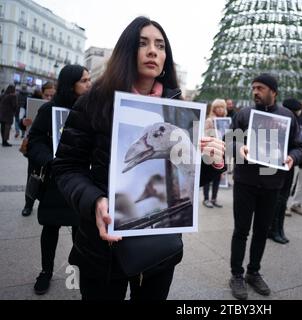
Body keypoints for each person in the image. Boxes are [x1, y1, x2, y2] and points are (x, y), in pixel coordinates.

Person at [52, 17, 225, 301]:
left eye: (160, 45)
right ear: (127, 51)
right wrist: (95, 200)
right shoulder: (94, 101)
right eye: (143, 43)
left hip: (159, 250)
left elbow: (189, 179)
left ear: (166, 57)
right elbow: (67, 166)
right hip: (102, 248)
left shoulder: (181, 110)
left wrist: (212, 160)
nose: (153, 51)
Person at [228, 74, 302, 300]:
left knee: (262, 230)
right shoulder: (244, 113)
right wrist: (238, 146)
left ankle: (253, 272)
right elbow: (230, 139)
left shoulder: (288, 116)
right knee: (241, 230)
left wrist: (293, 157)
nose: (255, 92)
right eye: (253, 88)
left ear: (274, 91)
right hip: (245, 182)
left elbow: (299, 147)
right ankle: (236, 275)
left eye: (260, 88)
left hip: (272, 184)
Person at [27, 65, 92, 295]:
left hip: (80, 182)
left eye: (89, 79)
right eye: (84, 80)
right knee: (50, 228)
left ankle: (78, 273)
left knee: (80, 232)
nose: (89, 84)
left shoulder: (90, 110)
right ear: (70, 84)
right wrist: (50, 160)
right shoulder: (49, 110)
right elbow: (34, 141)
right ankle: (46, 272)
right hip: (54, 183)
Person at [268, 98, 302, 244]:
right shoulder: (285, 120)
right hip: (279, 163)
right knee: (279, 199)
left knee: (282, 199)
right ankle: (274, 229)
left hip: (287, 163)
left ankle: (278, 228)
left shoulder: (291, 120)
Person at [20, 82, 56, 217]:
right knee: (32, 176)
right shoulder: (32, 102)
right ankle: (28, 204)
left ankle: (44, 202)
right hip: (35, 146)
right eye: (46, 95)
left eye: (52, 95)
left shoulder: (56, 106)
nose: (48, 98)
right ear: (41, 93)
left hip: (50, 148)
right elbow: (22, 119)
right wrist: (23, 123)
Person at [203, 98, 227, 208]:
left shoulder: (226, 121)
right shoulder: (209, 120)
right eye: (218, 107)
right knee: (208, 176)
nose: (220, 109)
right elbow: (205, 135)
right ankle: (206, 199)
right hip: (210, 152)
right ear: (214, 108)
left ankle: (214, 198)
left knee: (218, 175)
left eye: (222, 107)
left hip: (221, 152)